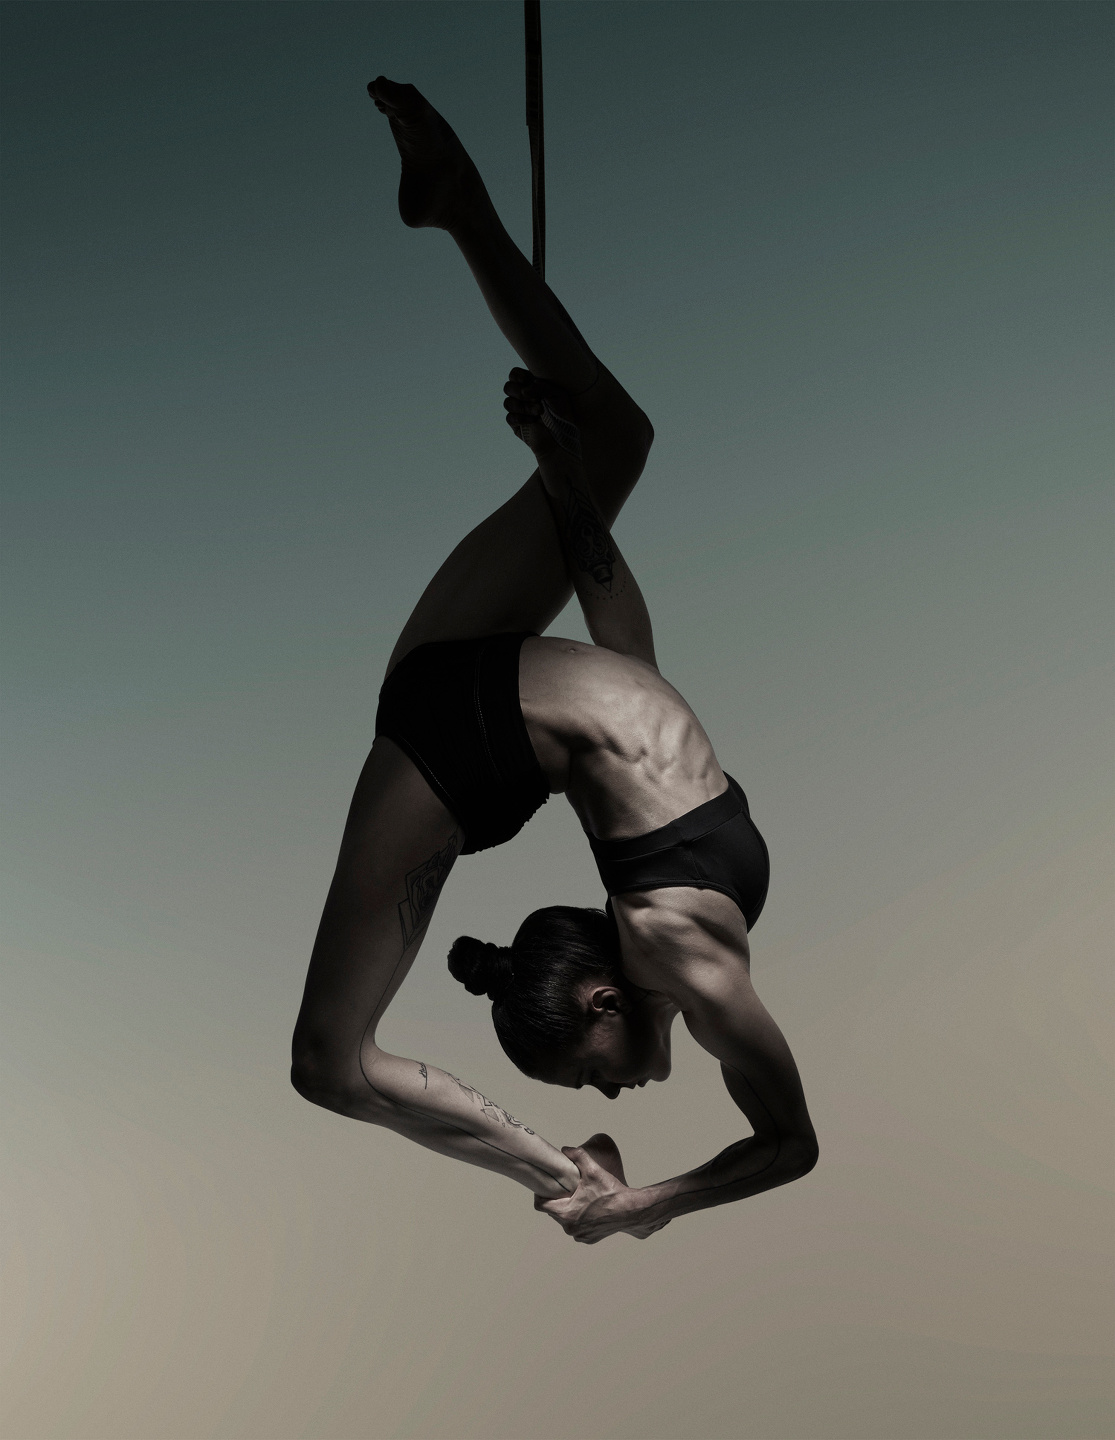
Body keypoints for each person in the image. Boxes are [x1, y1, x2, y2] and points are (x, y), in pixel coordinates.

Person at [291, 78, 818, 1244]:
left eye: (588, 1078)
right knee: (612, 431)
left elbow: (791, 1146)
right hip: (473, 675)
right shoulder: (664, 906)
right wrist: (561, 477)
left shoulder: (679, 938)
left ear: (599, 999)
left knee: (332, 1062)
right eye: (595, 1090)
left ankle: (566, 1177)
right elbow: (628, 662)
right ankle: (456, 203)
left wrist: (639, 1205)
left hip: (464, 728)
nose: (615, 1087)